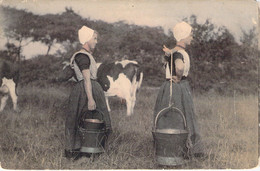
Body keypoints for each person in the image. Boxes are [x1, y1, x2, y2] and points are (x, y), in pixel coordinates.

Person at [154, 21, 205, 158]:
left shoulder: (174, 52)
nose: (192, 38)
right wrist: (178, 76)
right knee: (183, 116)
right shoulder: (178, 53)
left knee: (171, 117)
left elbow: (165, 66)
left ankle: (171, 149)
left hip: (171, 86)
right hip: (178, 86)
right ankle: (187, 150)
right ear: (183, 35)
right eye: (190, 35)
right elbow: (180, 67)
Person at [64, 25, 112, 159]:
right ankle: (77, 151)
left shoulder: (87, 56)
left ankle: (93, 150)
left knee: (96, 118)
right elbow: (86, 79)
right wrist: (90, 99)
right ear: (86, 39)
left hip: (91, 88)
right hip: (86, 90)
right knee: (79, 118)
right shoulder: (82, 56)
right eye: (94, 39)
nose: (96, 42)